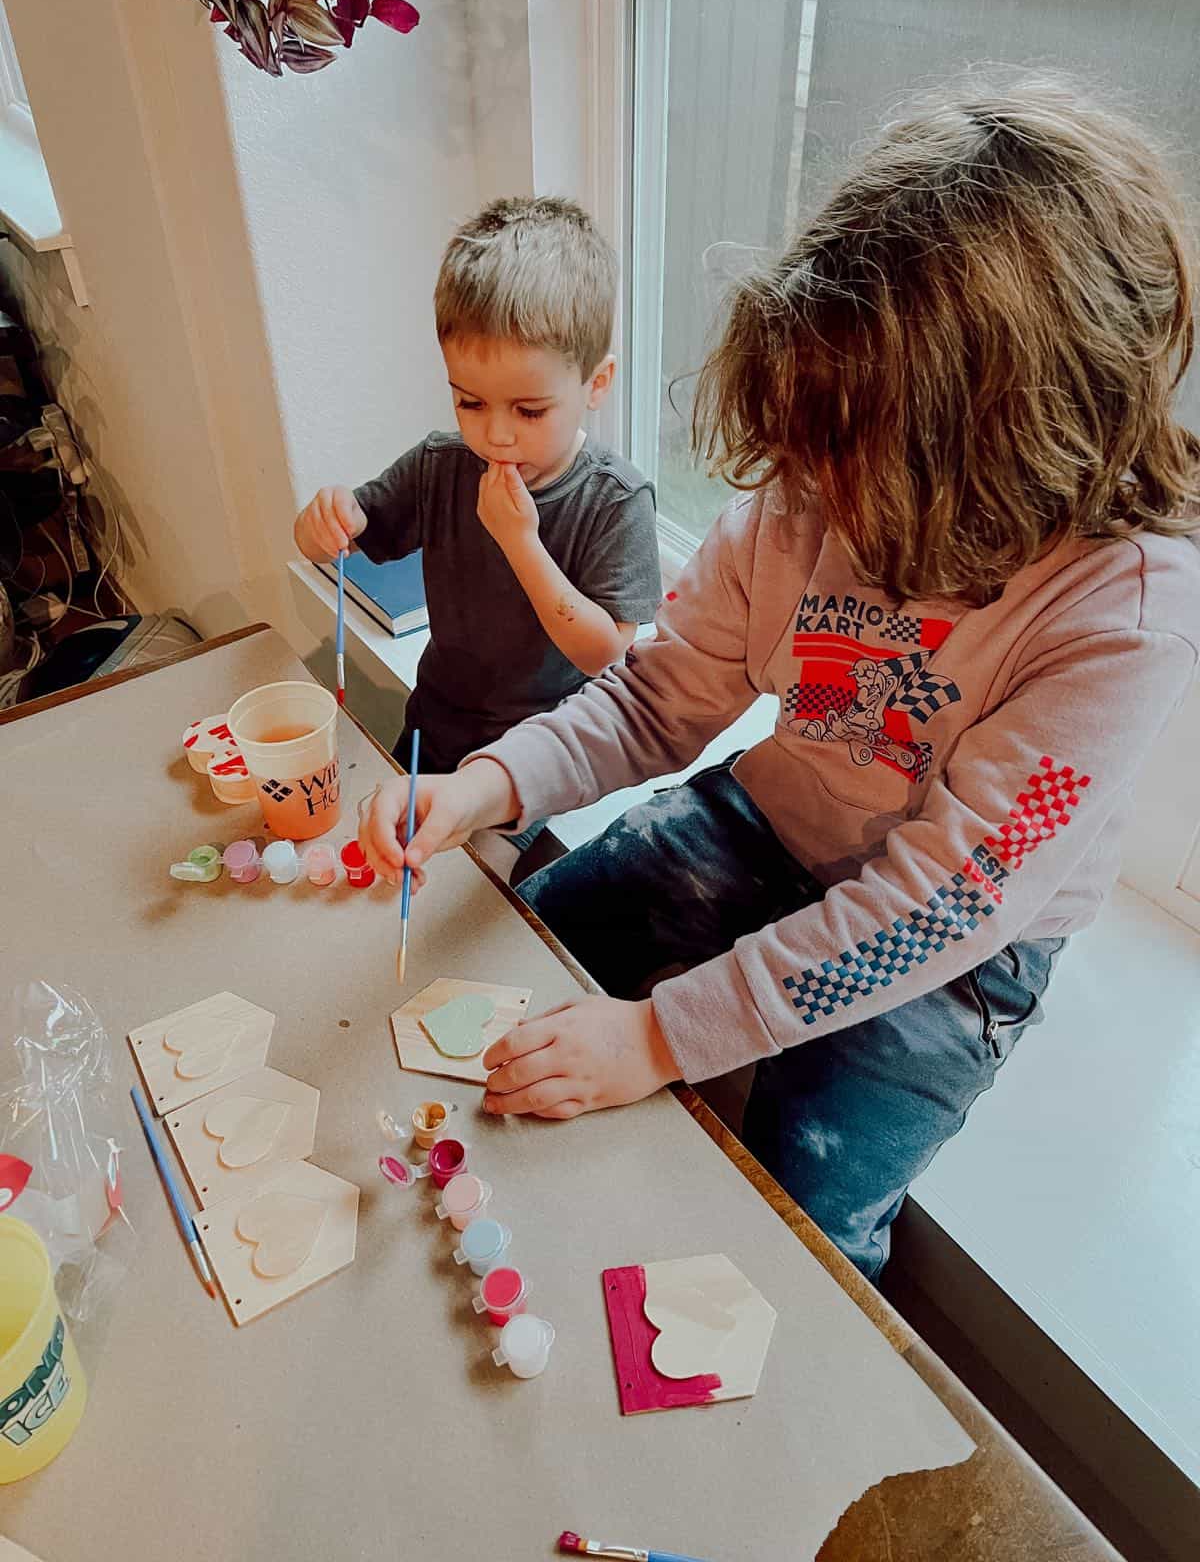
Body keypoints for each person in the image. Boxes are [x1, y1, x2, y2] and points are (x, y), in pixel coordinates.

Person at [358, 81, 1200, 1278]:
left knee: (798, 1228)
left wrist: (660, 1036)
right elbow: (658, 699)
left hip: (957, 951)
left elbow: (941, 909)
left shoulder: (1126, 619)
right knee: (520, 968)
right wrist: (487, 785)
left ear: (1006, 441)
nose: (811, 492)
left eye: (852, 458)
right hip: (766, 820)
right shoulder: (820, 469)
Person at [294, 196, 662, 874]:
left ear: (597, 382)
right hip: (432, 725)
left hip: (537, 760)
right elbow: (336, 539)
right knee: (387, 872)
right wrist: (322, 522)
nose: (495, 432)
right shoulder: (441, 464)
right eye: (469, 400)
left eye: (529, 409)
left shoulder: (616, 500)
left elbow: (603, 653)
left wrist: (521, 540)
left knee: (469, 895)